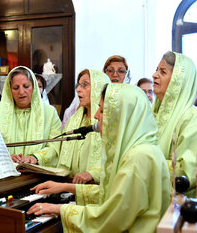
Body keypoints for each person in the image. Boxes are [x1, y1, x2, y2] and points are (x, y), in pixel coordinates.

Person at [27, 84, 171, 232]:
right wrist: (65, 187)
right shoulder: (142, 148)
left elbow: (112, 217)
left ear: (120, 115)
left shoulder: (138, 158)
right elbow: (113, 195)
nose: (96, 115)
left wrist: (60, 209)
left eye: (102, 110)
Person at [0, 66, 61, 166]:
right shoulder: (1, 113)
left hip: (38, 173)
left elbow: (55, 145)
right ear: (9, 91)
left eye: (26, 86)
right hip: (9, 171)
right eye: (16, 88)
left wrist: (36, 157)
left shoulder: (49, 112)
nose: (21, 92)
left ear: (33, 88)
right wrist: (6, 156)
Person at [152, 51, 197, 197]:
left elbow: (185, 171)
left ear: (179, 81)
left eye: (162, 72)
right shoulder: (153, 113)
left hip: (178, 203)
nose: (154, 75)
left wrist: (143, 163)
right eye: (156, 70)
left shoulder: (191, 117)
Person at [57, 69, 110, 184]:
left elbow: (115, 162)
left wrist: (94, 174)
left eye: (85, 85)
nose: (78, 89)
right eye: (78, 85)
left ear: (99, 88)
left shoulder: (109, 122)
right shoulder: (73, 121)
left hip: (96, 185)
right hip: (70, 183)